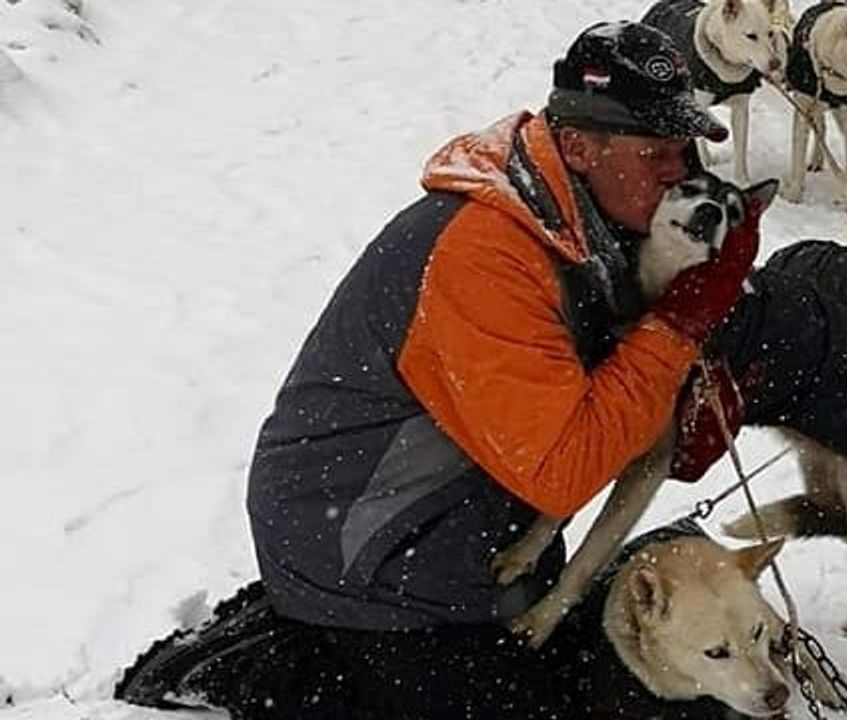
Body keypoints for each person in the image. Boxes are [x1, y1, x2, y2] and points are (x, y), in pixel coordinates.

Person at [115, 20, 764, 720]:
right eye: (658, 152)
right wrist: (675, 330)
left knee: (573, 672)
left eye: (685, 149)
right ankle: (273, 659)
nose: (681, 171)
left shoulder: (584, 220)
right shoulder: (487, 253)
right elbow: (563, 468)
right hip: (365, 552)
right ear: (578, 147)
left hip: (459, 529)